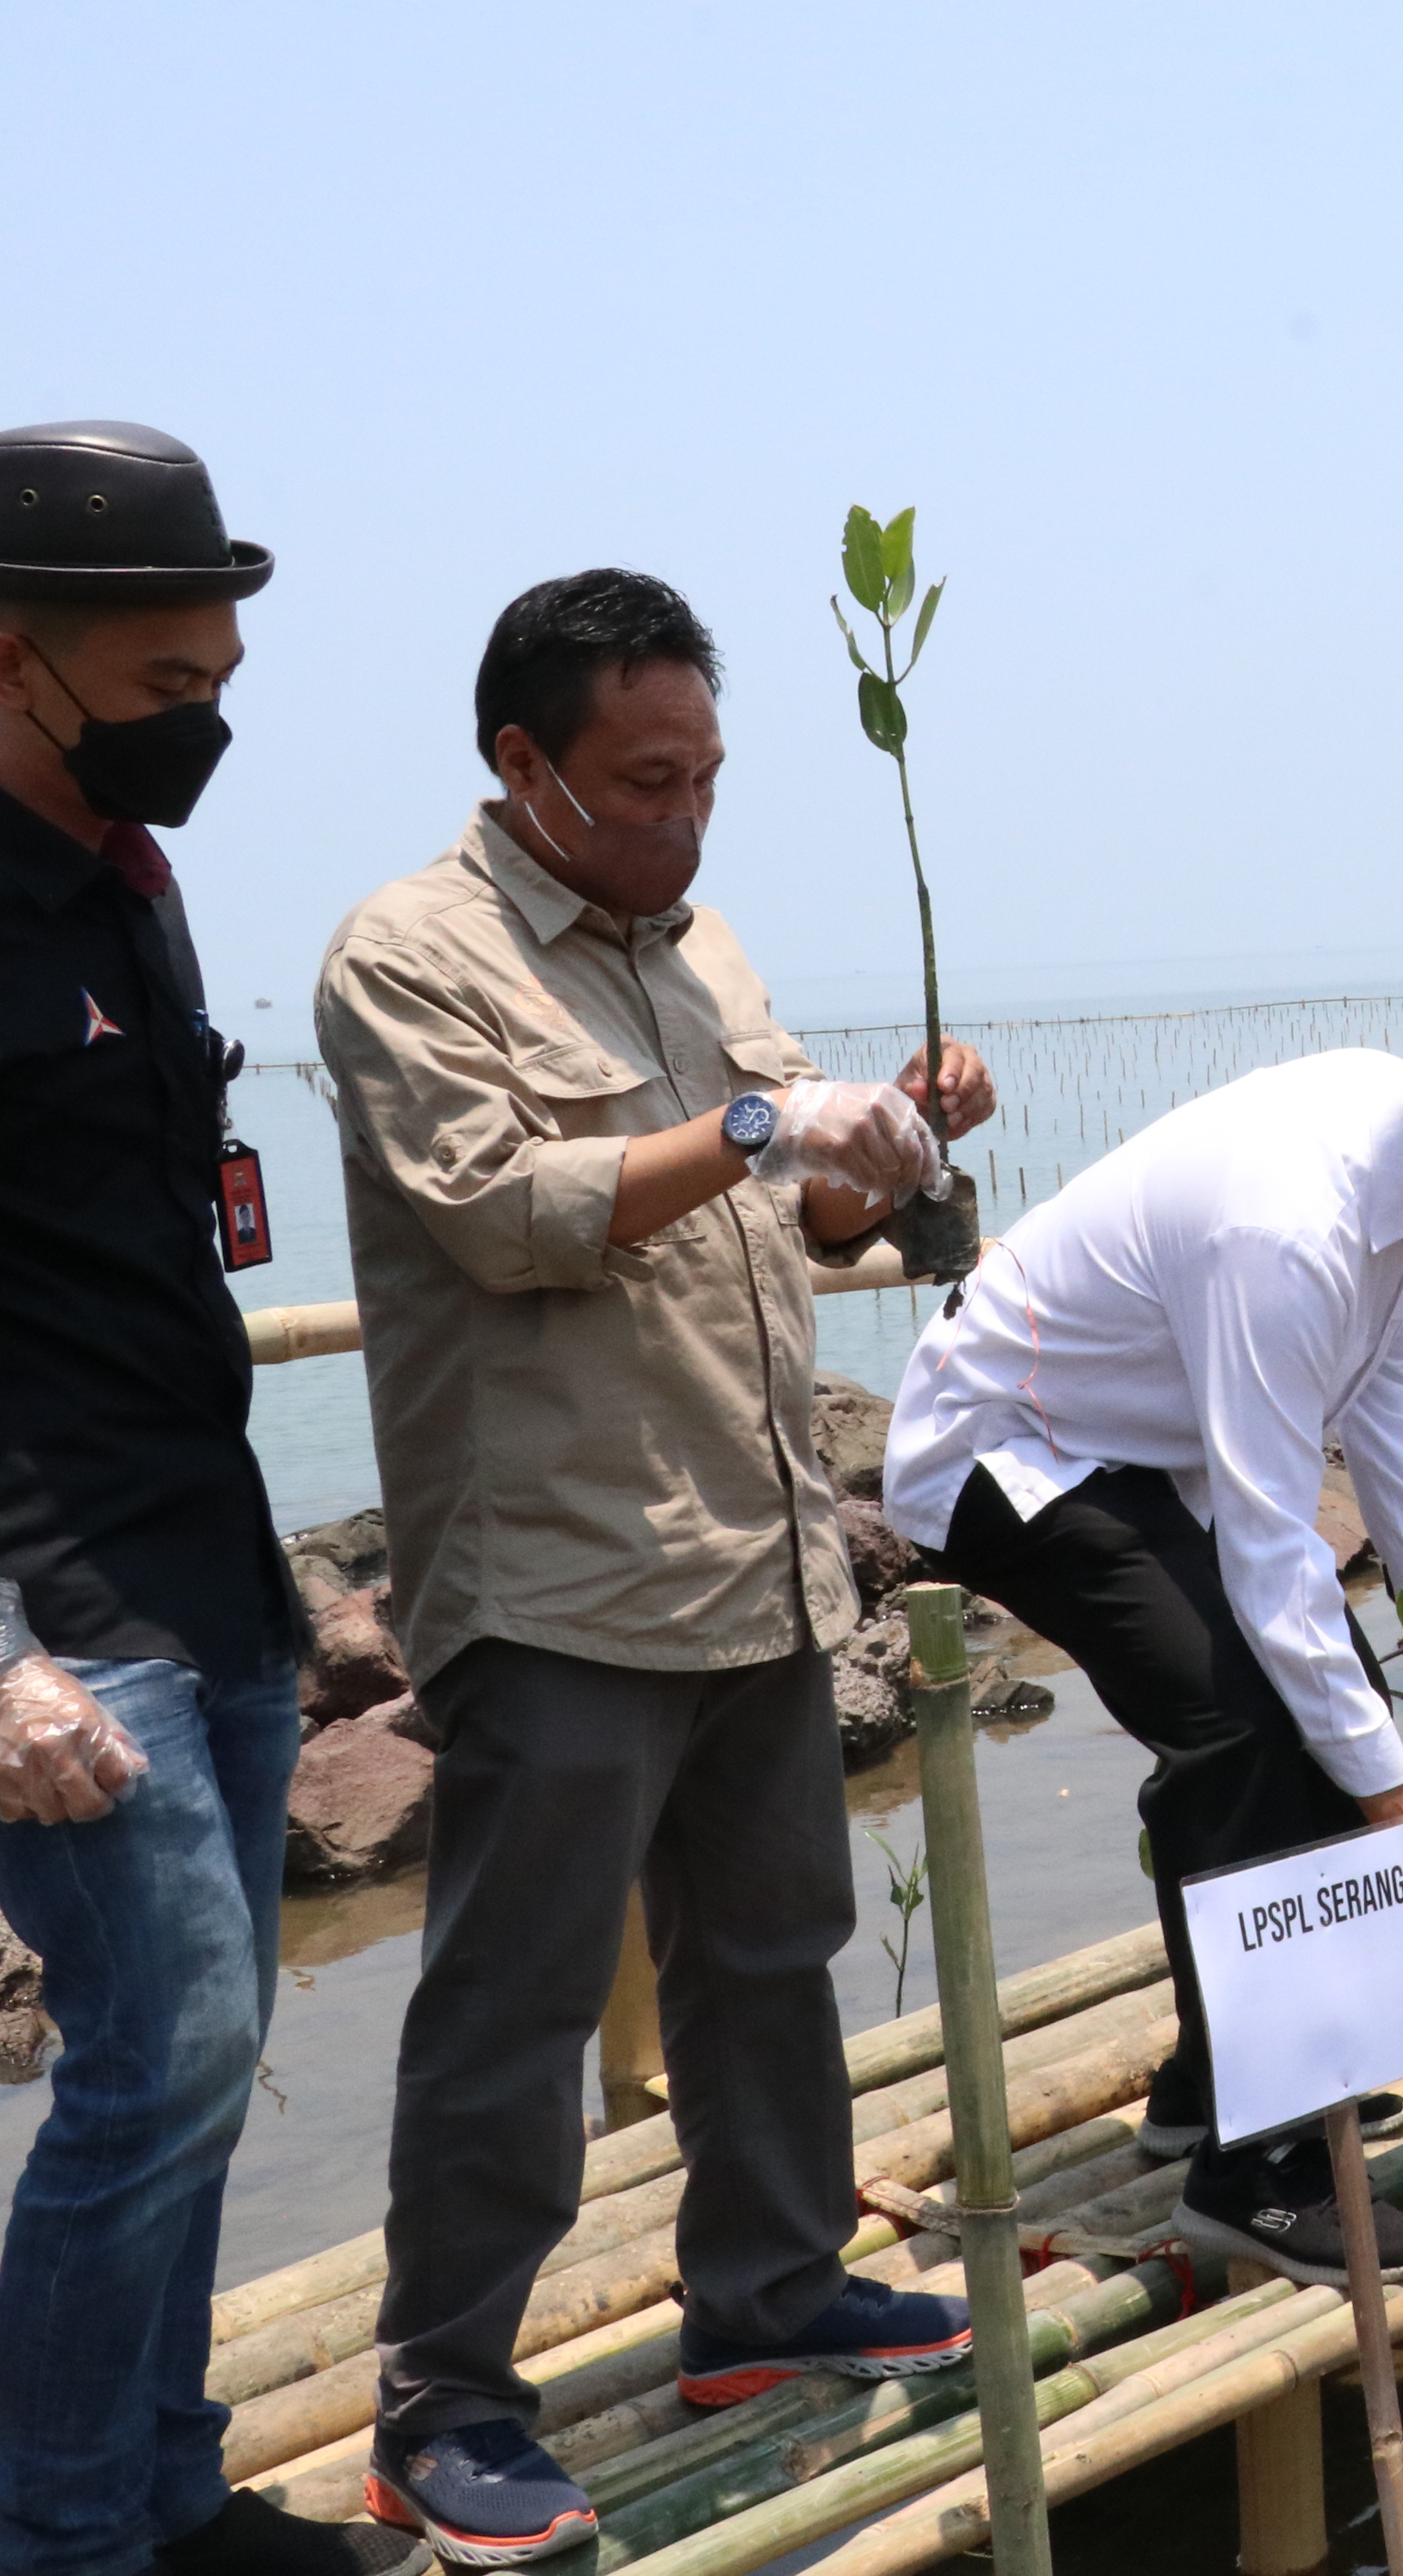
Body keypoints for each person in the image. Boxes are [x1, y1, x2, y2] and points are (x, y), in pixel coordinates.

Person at [318, 571, 1000, 2565]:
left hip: (759, 1540)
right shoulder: (406, 956)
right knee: (516, 2008)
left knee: (772, 1948)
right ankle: (442, 2398)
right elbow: (518, 1212)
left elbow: (792, 1202)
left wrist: (888, 1147)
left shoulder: (699, 943)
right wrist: (774, 1115)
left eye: (708, 772)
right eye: (644, 777)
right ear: (523, 766)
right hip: (555, 1574)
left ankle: (766, 2294)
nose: (686, 817)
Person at [885, 959, 1403, 2283]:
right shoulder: (1288, 1223)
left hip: (1138, 1442)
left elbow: (1396, 1409)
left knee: (1307, 1713)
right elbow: (1272, 1546)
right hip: (1004, 1442)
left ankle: (1218, 2077)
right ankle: (1254, 2171)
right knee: (1250, 1726)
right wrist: (1400, 1805)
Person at [0, 425, 421, 2576]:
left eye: (221, 673)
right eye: (167, 685)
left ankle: (164, 2495)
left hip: (213, 1568)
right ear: (17, 656)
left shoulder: (130, 893)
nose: (209, 726)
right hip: (58, 1607)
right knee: (149, 2063)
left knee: (209, 2058)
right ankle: (58, 2536)